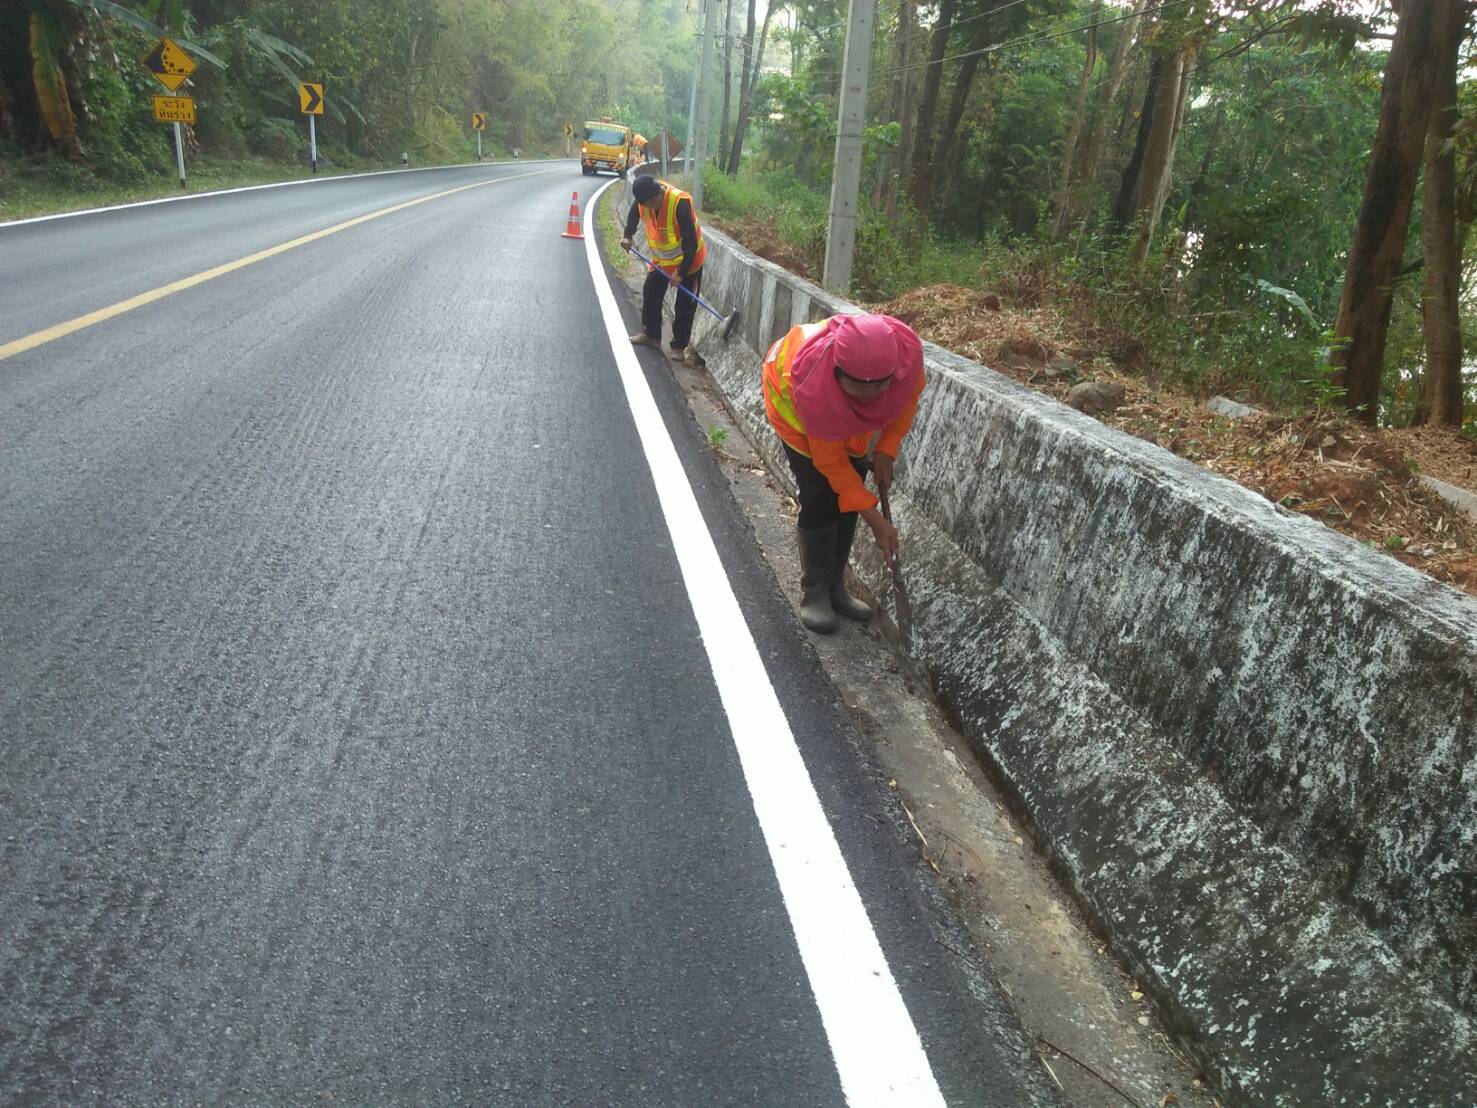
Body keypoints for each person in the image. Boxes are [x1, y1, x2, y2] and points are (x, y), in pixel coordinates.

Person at [762, 313, 926, 634]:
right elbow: (832, 464)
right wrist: (877, 522)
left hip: (842, 416)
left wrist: (886, 449)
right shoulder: (814, 383)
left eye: (878, 386)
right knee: (820, 494)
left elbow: (904, 403)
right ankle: (815, 590)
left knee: (852, 490)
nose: (870, 395)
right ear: (838, 372)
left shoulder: (906, 359)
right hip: (793, 408)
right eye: (858, 388)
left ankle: (836, 586)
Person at [620, 175, 706, 366]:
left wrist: (681, 273)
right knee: (651, 292)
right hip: (663, 261)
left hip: (689, 262)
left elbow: (691, 243)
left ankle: (679, 346)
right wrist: (628, 235)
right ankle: (652, 334)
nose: (649, 207)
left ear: (657, 195)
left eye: (651, 203)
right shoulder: (644, 200)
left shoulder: (679, 203)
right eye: (645, 205)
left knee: (684, 306)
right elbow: (634, 213)